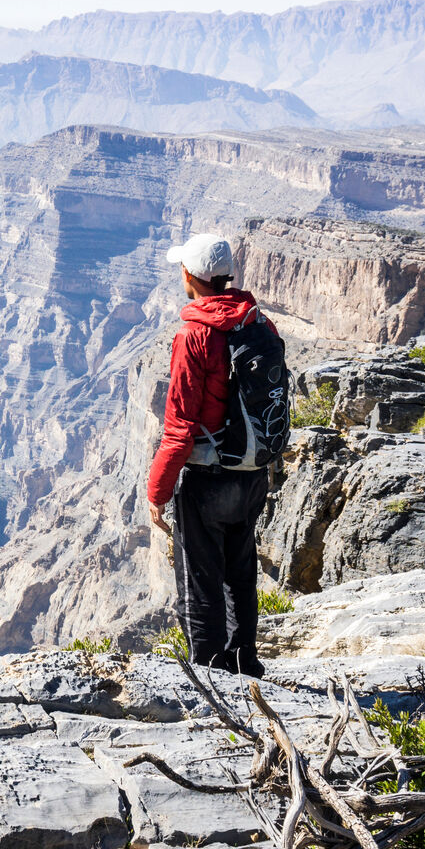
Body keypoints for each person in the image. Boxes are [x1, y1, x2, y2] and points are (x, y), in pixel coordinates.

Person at [146, 232, 273, 678]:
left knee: (200, 580)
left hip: (207, 479)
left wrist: (157, 493)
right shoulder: (258, 322)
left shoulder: (195, 334)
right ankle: (245, 664)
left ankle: (209, 673)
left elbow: (179, 427)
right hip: (254, 472)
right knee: (240, 571)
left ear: (189, 275)